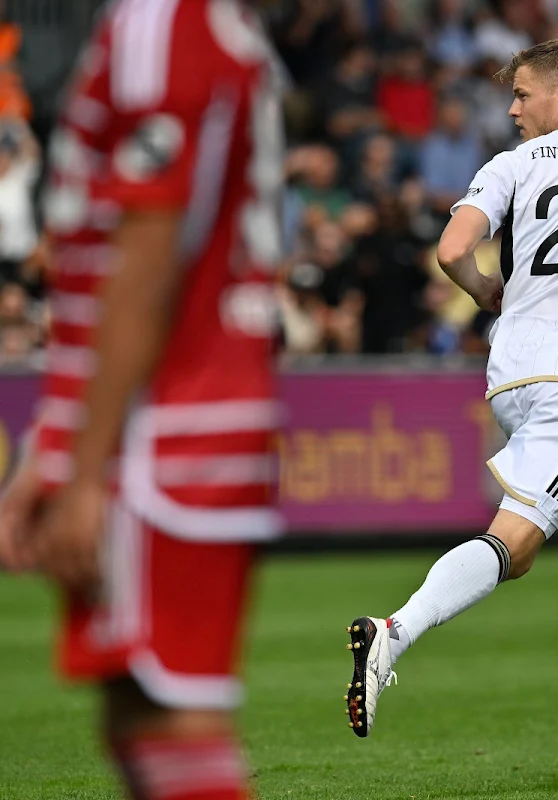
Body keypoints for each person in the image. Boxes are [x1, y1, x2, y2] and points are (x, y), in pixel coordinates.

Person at [345, 39, 558, 783]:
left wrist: (483, 290)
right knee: (518, 545)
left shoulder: (514, 165)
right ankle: (392, 632)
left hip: (514, 374)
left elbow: (453, 248)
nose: (512, 107)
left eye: (523, 94)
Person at [0, 2, 285, 799]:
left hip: (169, 424)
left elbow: (147, 257)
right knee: (136, 714)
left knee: (173, 713)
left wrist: (83, 466)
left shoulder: (166, 23)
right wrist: (55, 443)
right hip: (167, 415)